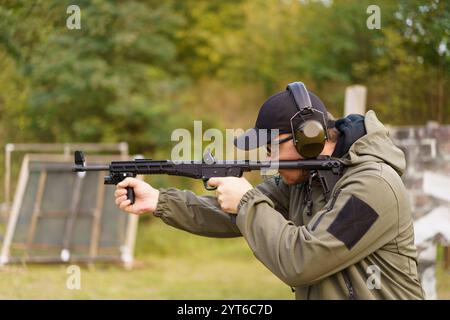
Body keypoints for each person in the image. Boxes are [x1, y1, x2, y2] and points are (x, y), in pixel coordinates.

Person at [114, 82, 424, 299]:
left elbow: (302, 261)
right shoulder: (308, 177)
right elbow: (234, 214)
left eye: (272, 147)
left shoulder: (375, 187)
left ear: (309, 139)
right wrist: (159, 201)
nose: (267, 159)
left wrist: (247, 200)